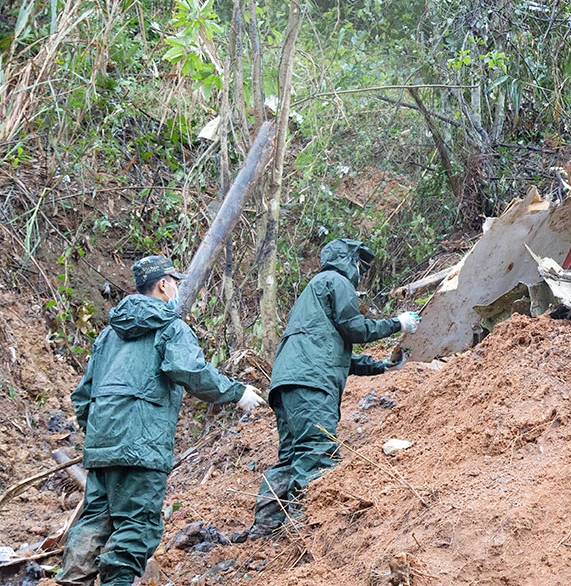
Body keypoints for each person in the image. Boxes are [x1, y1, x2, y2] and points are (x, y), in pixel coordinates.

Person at [59, 256, 264, 586]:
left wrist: (98, 433)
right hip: (142, 446)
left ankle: (73, 581)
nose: (178, 288)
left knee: (94, 520)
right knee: (136, 526)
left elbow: (83, 394)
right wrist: (237, 393)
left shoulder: (108, 336)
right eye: (175, 282)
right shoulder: (171, 327)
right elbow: (191, 371)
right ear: (163, 284)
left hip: (102, 445)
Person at [246, 238, 419, 539]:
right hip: (312, 385)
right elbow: (355, 328)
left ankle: (266, 527)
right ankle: (306, 532)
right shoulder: (336, 282)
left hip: (288, 384)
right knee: (316, 451)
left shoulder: (312, 292)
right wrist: (397, 323)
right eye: (359, 263)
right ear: (349, 261)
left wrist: (382, 366)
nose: (359, 271)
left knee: (291, 455)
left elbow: (335, 354)